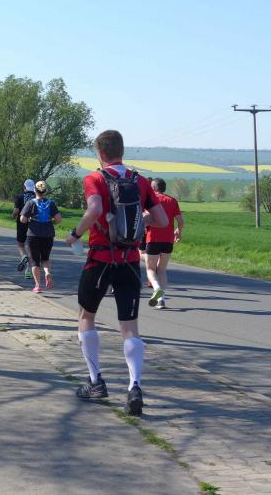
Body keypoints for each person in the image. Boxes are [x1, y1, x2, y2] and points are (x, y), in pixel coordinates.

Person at [65, 130, 167, 416]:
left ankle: (96, 381)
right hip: (130, 260)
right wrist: (139, 221)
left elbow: (94, 208)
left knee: (86, 316)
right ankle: (135, 387)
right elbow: (160, 219)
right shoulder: (140, 181)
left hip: (99, 259)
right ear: (122, 151)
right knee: (130, 326)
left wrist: (75, 234)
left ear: (100, 153)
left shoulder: (94, 179)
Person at [145, 178, 184, 309]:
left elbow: (145, 218)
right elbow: (180, 221)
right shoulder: (172, 200)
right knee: (162, 270)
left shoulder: (151, 200)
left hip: (153, 238)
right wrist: (178, 231)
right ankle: (161, 300)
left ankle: (157, 289)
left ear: (154, 188)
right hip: (168, 240)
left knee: (150, 269)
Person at [20, 180, 63, 293]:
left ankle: (38, 285)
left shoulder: (30, 203)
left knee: (34, 261)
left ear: (35, 190)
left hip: (33, 235)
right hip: (48, 234)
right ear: (45, 191)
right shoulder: (51, 203)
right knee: (45, 258)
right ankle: (47, 272)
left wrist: (30, 219)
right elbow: (59, 219)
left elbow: (22, 219)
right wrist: (51, 222)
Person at [13, 179, 37, 280]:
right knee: (31, 247)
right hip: (34, 225)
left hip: (22, 223)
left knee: (20, 245)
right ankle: (28, 270)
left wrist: (13, 215)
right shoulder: (37, 197)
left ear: (24, 187)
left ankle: (24, 257)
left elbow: (16, 211)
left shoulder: (19, 197)